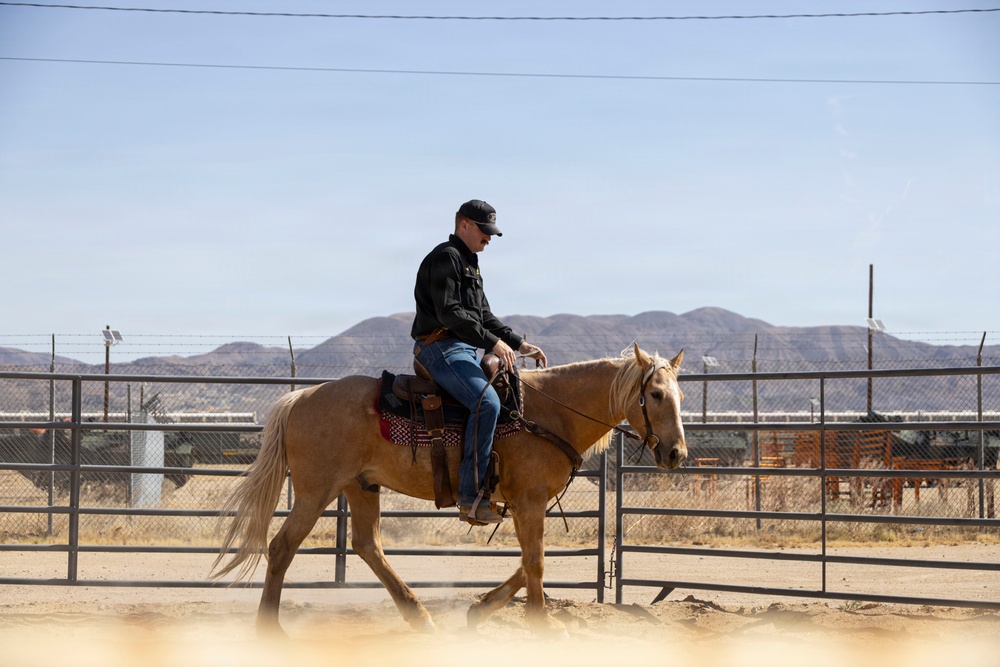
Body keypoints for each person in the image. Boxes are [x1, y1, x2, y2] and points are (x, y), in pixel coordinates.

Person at [411, 199, 547, 524]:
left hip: (463, 348)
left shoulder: (470, 262)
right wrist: (492, 343)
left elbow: (483, 315)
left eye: (491, 233)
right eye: (484, 232)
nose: (488, 239)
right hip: (440, 347)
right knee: (486, 403)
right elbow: (450, 314)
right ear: (464, 226)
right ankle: (471, 497)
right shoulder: (446, 257)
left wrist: (518, 343)